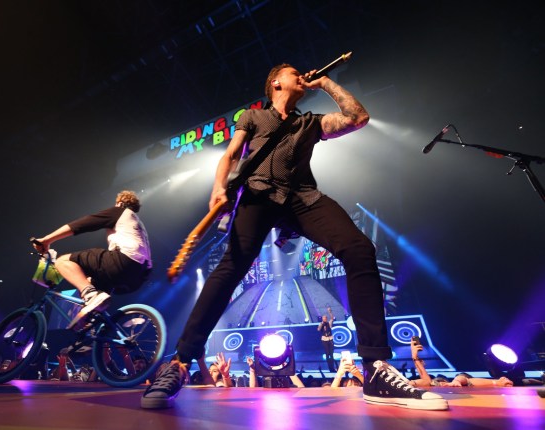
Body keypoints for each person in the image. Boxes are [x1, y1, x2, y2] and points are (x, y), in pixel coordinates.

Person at [140, 62, 447, 411]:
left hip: (302, 197)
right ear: (275, 83)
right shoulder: (254, 117)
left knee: (360, 249)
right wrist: (217, 189)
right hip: (258, 195)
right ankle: (180, 363)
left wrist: (327, 83)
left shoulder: (310, 122)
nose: (300, 75)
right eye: (293, 72)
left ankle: (375, 367)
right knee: (232, 267)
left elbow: (357, 117)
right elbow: (229, 155)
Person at [32, 190, 152, 329]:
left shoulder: (119, 212)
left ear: (119, 203)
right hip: (137, 278)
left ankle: (90, 295)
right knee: (90, 288)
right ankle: (90, 340)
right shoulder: (137, 224)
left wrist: (47, 240)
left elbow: (82, 224)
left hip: (123, 262)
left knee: (62, 261)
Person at [318, 307, 336, 372]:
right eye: (323, 318)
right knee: (327, 354)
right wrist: (321, 324)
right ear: (322, 319)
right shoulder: (321, 324)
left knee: (331, 354)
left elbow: (332, 318)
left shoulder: (329, 323)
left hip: (330, 339)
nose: (324, 319)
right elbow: (318, 329)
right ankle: (330, 368)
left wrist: (330, 312)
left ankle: (333, 367)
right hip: (324, 340)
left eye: (325, 318)